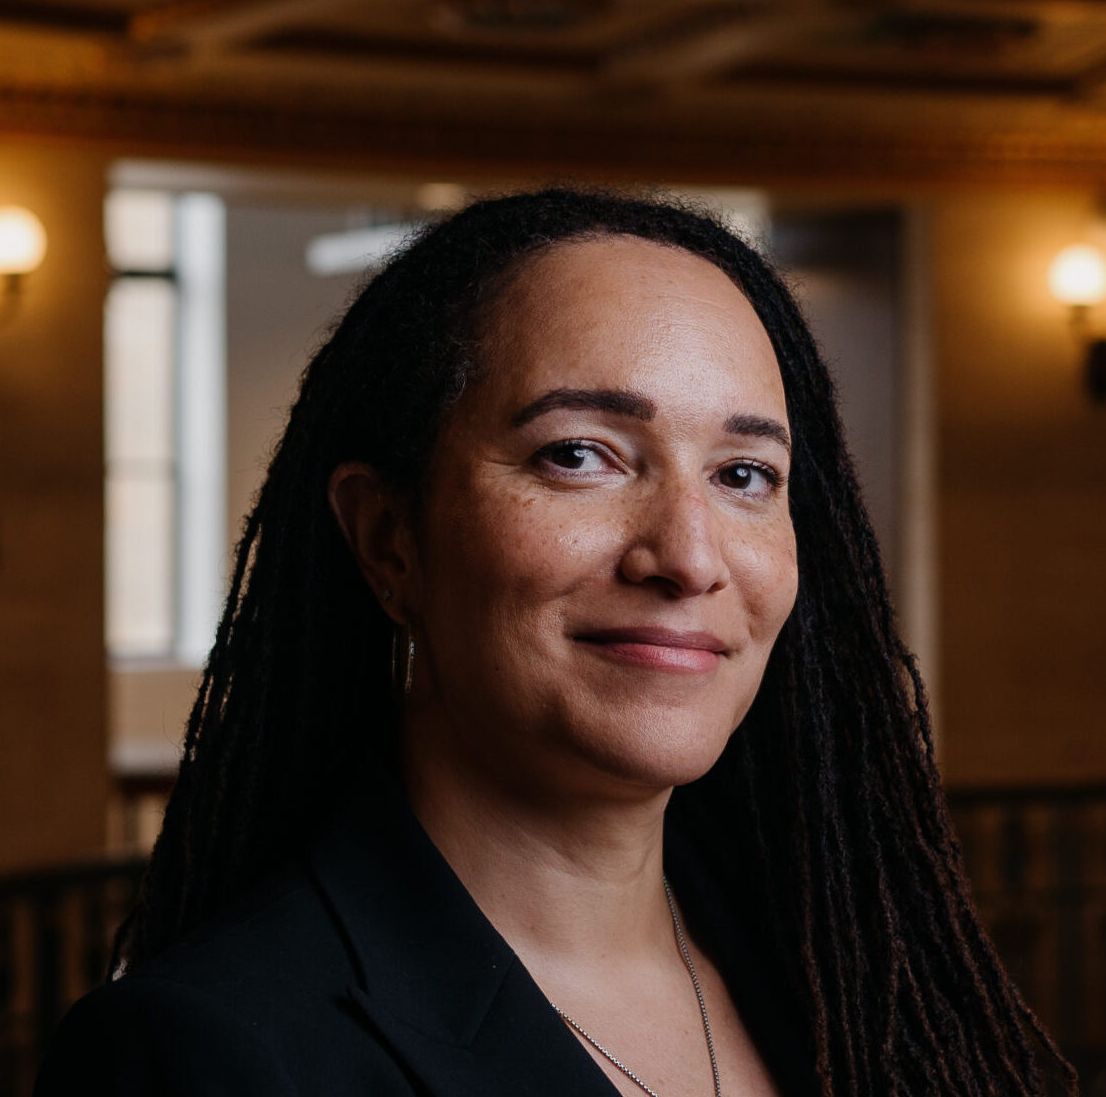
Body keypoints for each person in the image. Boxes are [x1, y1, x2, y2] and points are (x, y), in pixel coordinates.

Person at [36, 188, 1074, 1097]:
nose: (687, 555)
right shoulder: (209, 1053)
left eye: (743, 473)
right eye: (579, 454)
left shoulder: (854, 977)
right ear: (389, 541)